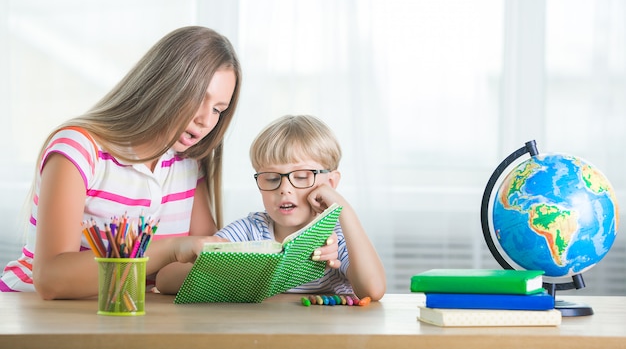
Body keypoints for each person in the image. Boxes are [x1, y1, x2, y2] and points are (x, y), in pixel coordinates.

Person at [0, 27, 337, 299]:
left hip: (132, 318)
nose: (207, 121)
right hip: (33, 318)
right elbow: (51, 280)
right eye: (198, 99)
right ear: (164, 85)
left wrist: (294, 256)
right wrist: (172, 248)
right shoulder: (79, 149)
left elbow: (202, 266)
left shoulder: (189, 163)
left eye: (219, 109)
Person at [211, 114, 386, 301]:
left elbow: (372, 291)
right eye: (271, 178)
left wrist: (343, 209)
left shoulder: (337, 237)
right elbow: (189, 272)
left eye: (302, 177)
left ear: (331, 182)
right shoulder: (250, 231)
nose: (285, 189)